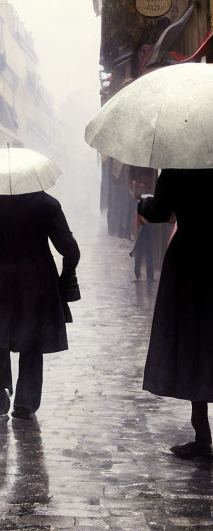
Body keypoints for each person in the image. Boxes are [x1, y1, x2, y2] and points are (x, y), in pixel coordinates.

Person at [0, 191, 80, 424]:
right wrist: (65, 279)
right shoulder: (48, 203)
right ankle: (25, 403)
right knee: (33, 340)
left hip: (2, 275)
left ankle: (2, 387)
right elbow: (70, 250)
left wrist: (7, 246)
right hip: (38, 277)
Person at [138, 168, 213, 460]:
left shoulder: (179, 167)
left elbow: (158, 211)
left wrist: (142, 202)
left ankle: (202, 435)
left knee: (194, 342)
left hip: (190, 260)